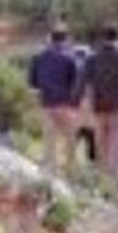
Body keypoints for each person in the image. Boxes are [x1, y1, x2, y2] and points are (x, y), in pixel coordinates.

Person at [79, 26, 118, 180]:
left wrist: (78, 100)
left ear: (103, 37)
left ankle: (102, 178)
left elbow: (83, 80)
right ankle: (113, 179)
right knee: (117, 145)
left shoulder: (92, 57)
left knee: (101, 144)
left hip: (98, 106)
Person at [27, 24, 83, 170]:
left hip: (47, 102)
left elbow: (32, 82)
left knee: (49, 141)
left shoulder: (39, 57)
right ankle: (70, 169)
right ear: (67, 38)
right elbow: (77, 81)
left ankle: (50, 169)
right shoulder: (72, 57)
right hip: (67, 103)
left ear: (51, 38)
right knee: (70, 140)